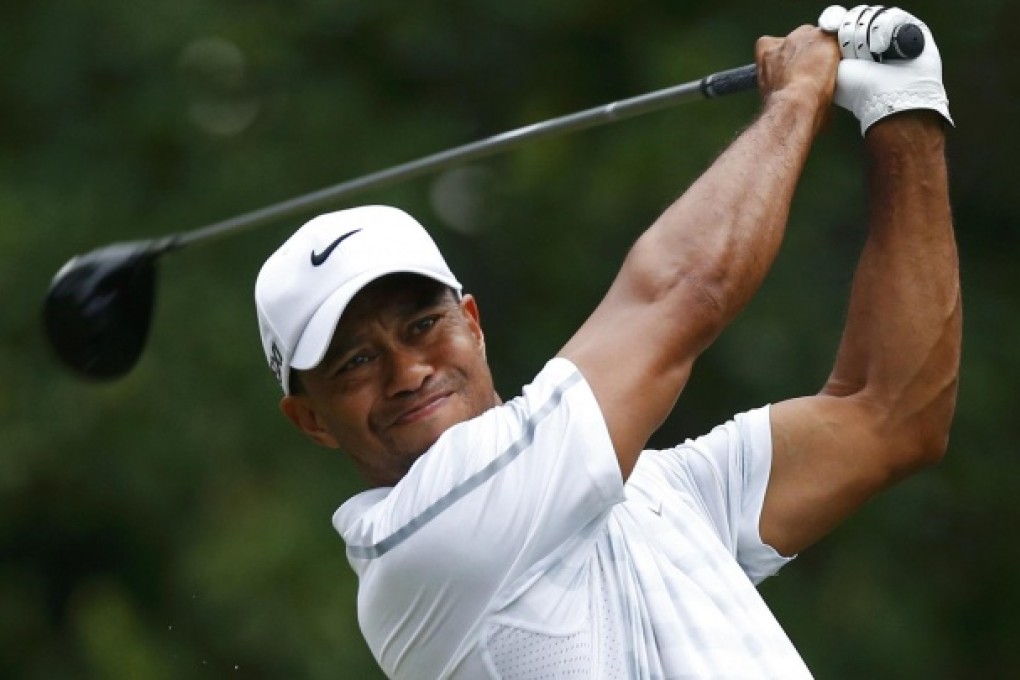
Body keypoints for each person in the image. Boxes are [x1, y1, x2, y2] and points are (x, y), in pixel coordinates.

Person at [254, 5, 960, 678]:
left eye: (422, 325)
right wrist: (796, 97)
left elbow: (892, 416)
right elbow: (684, 293)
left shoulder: (648, 490)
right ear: (311, 418)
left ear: (471, 322)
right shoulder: (420, 546)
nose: (408, 372)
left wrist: (904, 113)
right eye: (355, 361)